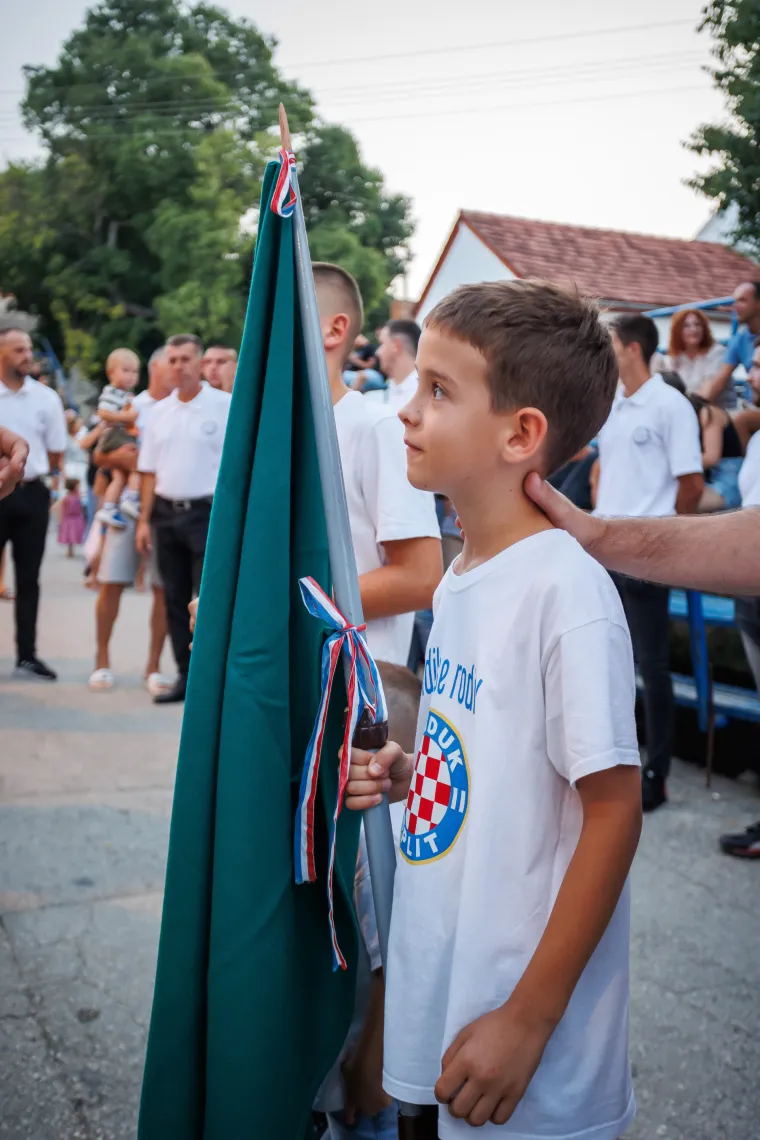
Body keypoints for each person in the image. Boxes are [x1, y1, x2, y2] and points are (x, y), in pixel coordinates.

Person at [345, 280, 642, 1138]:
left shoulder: (564, 592)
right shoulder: (464, 576)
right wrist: (414, 774)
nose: (407, 411)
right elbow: (494, 757)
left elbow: (614, 812)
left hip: (523, 1048)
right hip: (448, 1001)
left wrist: (528, 1020)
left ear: (521, 434)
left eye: (439, 390)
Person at [594, 316, 703, 812]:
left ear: (632, 349)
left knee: (652, 666)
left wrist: (663, 538)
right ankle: (607, 764)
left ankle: (656, 772)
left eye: (612, 343)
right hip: (605, 549)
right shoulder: (614, 402)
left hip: (645, 554)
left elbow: (691, 484)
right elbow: (605, 468)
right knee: (606, 660)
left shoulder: (669, 404)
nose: (607, 350)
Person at [312, 264, 442, 666]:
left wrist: (271, 610)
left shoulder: (376, 427)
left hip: (351, 679)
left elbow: (420, 578)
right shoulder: (269, 434)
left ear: (334, 330)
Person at [136, 333, 231, 704]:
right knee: (173, 599)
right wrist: (144, 521)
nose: (178, 367)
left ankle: (213, 678)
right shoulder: (158, 412)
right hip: (165, 513)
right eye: (172, 360)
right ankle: (186, 677)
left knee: (209, 599)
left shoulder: (224, 406)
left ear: (200, 363)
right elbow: (147, 471)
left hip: (208, 514)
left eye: (185, 359)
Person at [89, 347, 176, 695]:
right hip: (129, 508)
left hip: (166, 509)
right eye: (171, 363)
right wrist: (136, 463)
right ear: (155, 368)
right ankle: (101, 660)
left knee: (162, 589)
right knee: (111, 581)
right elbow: (99, 454)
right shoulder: (132, 406)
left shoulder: (182, 408)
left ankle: (153, 667)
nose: (178, 370)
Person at [0, 328, 67, 679]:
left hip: (32, 494)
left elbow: (56, 451)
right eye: (18, 349)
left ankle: (27, 655)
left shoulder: (46, 398)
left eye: (28, 349)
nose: (27, 355)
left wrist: (52, 487)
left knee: (29, 579)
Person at [93, 347, 142, 529]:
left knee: (119, 476)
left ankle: (109, 507)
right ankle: (132, 497)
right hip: (115, 436)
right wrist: (127, 417)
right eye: (126, 370)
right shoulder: (111, 392)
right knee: (137, 465)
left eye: (134, 372)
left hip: (117, 436)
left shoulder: (126, 394)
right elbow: (103, 413)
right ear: (111, 373)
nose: (131, 376)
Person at [652, 308, 731, 406]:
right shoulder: (676, 358)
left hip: (716, 410)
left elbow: (706, 395)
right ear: (677, 331)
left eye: (697, 325)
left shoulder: (717, 353)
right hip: (688, 408)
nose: (694, 329)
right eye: (686, 326)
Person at [700, 280, 760, 404]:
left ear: (758, 304)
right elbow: (720, 379)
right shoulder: (740, 339)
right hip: (751, 405)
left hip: (752, 409)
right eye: (735, 301)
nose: (735, 306)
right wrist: (696, 406)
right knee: (709, 413)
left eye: (742, 300)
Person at [365, 320, 420, 410]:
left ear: (396, 345)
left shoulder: (423, 397)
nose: (377, 352)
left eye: (382, 344)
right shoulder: (379, 396)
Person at [57, 477, 86, 557]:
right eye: (77, 486)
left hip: (76, 518)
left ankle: (71, 550)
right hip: (70, 518)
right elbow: (62, 509)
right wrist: (61, 520)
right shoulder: (68, 498)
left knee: (73, 534)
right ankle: (70, 550)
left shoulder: (76, 495)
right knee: (70, 534)